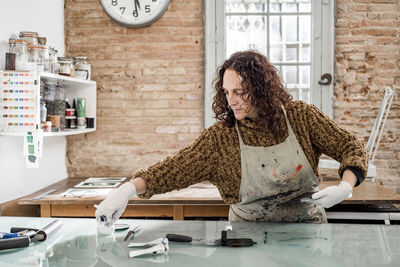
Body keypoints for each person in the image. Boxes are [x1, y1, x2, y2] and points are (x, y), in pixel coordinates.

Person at [95, 50, 367, 224]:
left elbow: (350, 146)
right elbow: (171, 171)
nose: (231, 100)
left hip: (307, 232)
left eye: (239, 91)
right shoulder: (221, 139)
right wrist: (126, 191)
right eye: (226, 92)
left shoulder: (301, 117)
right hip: (247, 240)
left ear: (262, 88)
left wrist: (346, 186)